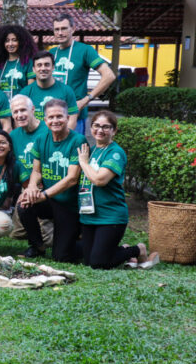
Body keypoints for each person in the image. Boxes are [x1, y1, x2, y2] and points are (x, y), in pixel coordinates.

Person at [76, 111, 157, 269]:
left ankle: (138, 250)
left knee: (98, 263)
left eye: (106, 127)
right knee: (88, 261)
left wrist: (83, 163)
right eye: (96, 125)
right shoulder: (92, 150)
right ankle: (123, 250)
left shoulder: (115, 153)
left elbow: (100, 180)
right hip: (89, 214)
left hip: (110, 216)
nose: (100, 130)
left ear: (114, 130)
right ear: (91, 128)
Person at [17, 99, 85, 260]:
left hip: (70, 205)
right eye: (51, 117)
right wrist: (31, 188)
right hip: (50, 200)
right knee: (24, 204)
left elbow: (72, 179)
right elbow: (36, 171)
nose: (55, 121)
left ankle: (90, 240)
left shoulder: (78, 140)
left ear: (67, 118)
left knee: (62, 256)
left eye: (59, 116)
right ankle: (37, 246)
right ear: (45, 119)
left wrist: (44, 195)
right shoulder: (41, 139)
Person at [50, 14, 115, 134]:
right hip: (52, 116)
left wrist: (86, 100)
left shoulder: (85, 50)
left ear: (73, 29)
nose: (60, 33)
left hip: (75, 116)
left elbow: (109, 75)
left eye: (64, 28)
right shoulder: (51, 53)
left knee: (74, 146)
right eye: (56, 29)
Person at [8, 95, 52, 246]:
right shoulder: (14, 135)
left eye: (23, 110)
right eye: (15, 112)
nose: (19, 115)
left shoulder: (48, 130)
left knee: (48, 241)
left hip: (47, 185)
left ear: (33, 109)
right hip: (26, 185)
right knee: (16, 233)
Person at [20, 50, 79, 129]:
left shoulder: (67, 91)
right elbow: (21, 122)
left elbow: (72, 120)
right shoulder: (25, 93)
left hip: (59, 135)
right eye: (39, 65)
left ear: (53, 67)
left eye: (47, 65)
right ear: (34, 69)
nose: (43, 68)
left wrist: (63, 136)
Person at [0, 24, 38, 98]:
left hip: (22, 103)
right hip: (3, 104)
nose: (10, 44)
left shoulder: (28, 62)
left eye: (14, 40)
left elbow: (31, 89)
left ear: (21, 42)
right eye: (7, 41)